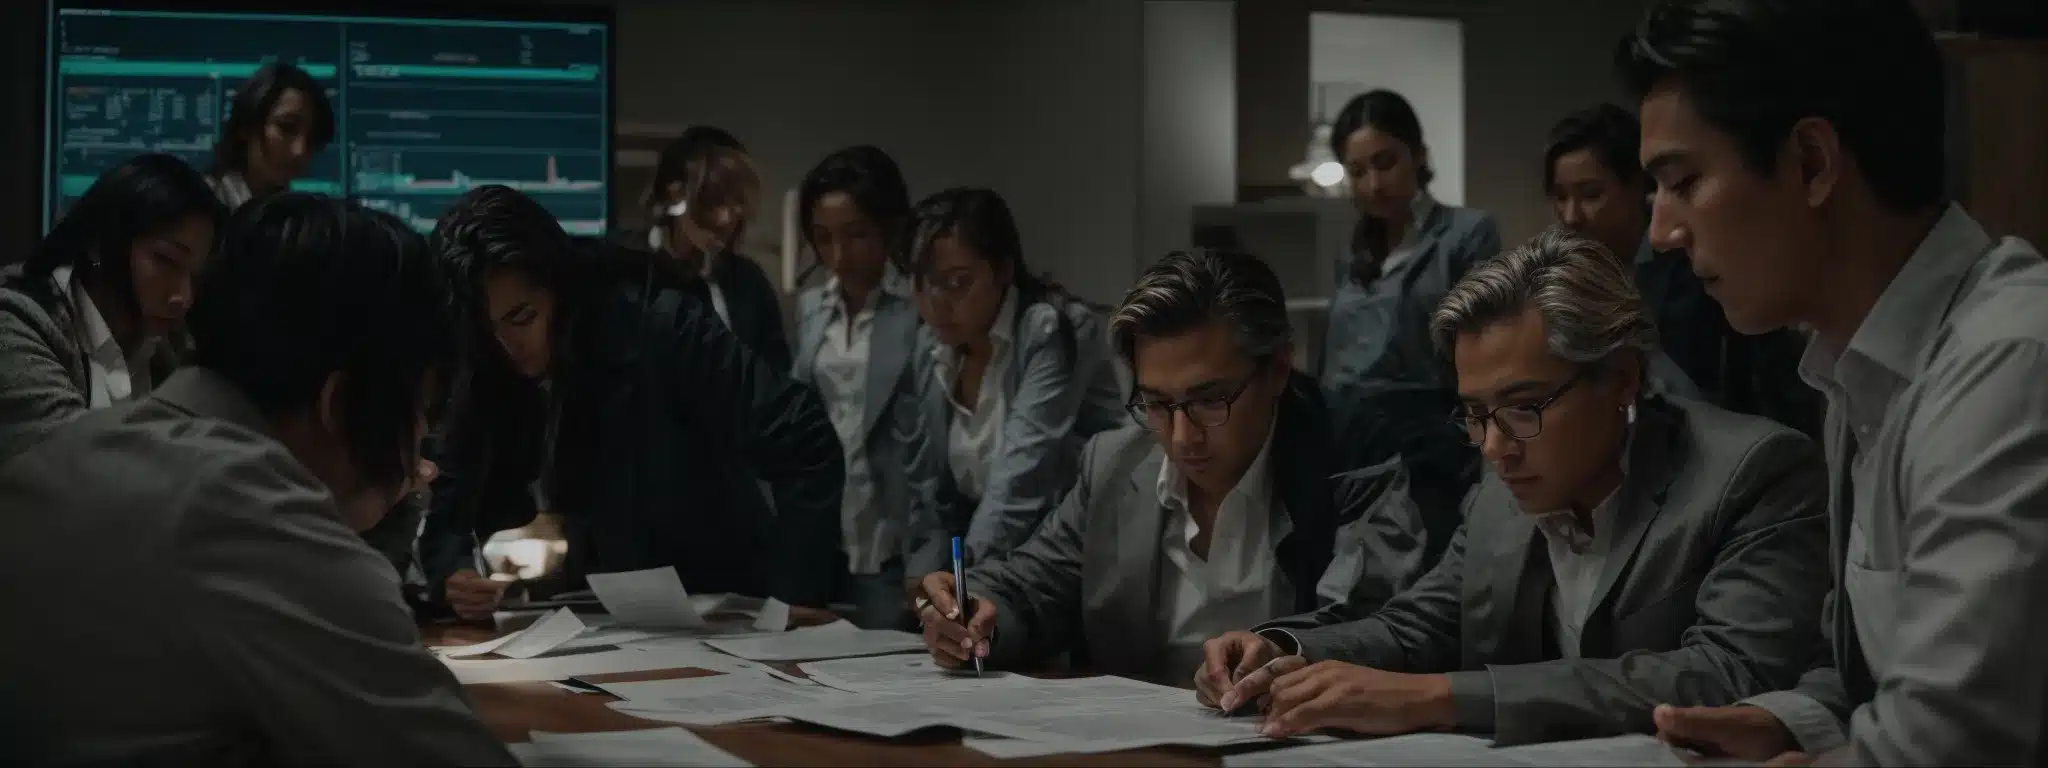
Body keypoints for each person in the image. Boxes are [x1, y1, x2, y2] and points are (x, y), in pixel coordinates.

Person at [1617, 1, 2048, 765]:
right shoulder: (1858, 367)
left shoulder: (2008, 363)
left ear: (1813, 163)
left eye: (1683, 180)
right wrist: (1797, 722)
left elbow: (1957, 740)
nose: (1662, 232)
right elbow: (1877, 667)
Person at [1202, 230, 1830, 746]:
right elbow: (1421, 625)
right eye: (1475, 414)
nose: (1494, 447)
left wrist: (1442, 697)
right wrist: (1282, 648)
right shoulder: (1500, 490)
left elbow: (1730, 672)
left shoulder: (1754, 472)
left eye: (1525, 407)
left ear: (1622, 378)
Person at [0, 193, 512, 765]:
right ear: (342, 403)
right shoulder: (254, 512)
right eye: (423, 412)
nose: (421, 445)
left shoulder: (76, 451)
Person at [911, 248, 1426, 684]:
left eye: (1210, 400)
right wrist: (974, 611)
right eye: (1156, 403)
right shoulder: (1116, 462)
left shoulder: (1352, 458)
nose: (1182, 438)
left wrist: (1281, 649)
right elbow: (1031, 586)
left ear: (1276, 370)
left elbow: (1373, 620)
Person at [421, 184, 843, 619]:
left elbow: (803, 436)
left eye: (522, 318)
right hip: (590, 613)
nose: (508, 346)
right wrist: (452, 571)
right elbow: (451, 491)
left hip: (716, 601)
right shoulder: (485, 358)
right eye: (487, 330)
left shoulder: (662, 326)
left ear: (558, 288)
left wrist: (796, 595)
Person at [1544, 103, 1822, 437]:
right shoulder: (1581, 276)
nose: (1571, 216)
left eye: (1591, 195)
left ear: (1638, 186)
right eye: (1560, 197)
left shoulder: (1696, 265)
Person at [898, 186, 1125, 577]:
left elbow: (1021, 481)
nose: (935, 302)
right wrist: (925, 576)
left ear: (1003, 270)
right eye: (921, 282)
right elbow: (929, 489)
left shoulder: (1051, 329)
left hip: (1078, 551)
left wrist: (964, 578)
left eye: (957, 282)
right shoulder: (930, 345)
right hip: (994, 558)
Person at [1319, 89, 1502, 569]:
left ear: (1418, 155)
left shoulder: (1465, 234)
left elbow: (1482, 343)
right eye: (1358, 171)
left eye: (1385, 163)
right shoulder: (1351, 253)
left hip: (1426, 442)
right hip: (1345, 441)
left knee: (1425, 573)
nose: (1373, 183)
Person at [0, 153, 223, 460]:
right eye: (167, 261)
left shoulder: (170, 346)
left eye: (195, 277)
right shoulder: (14, 325)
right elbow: (75, 462)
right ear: (100, 243)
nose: (184, 297)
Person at [791, 145, 922, 630]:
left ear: (889, 227)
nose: (839, 256)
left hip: (893, 531)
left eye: (856, 235)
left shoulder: (918, 304)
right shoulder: (811, 307)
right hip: (825, 529)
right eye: (824, 238)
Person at [634, 125, 792, 372]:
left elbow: (775, 373)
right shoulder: (625, 270)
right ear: (675, 195)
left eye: (736, 203)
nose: (726, 218)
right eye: (713, 200)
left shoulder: (749, 282)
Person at [206, 62, 336, 210]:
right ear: (246, 125)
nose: (300, 151)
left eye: (312, 138)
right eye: (286, 128)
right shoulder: (200, 206)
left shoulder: (297, 213)